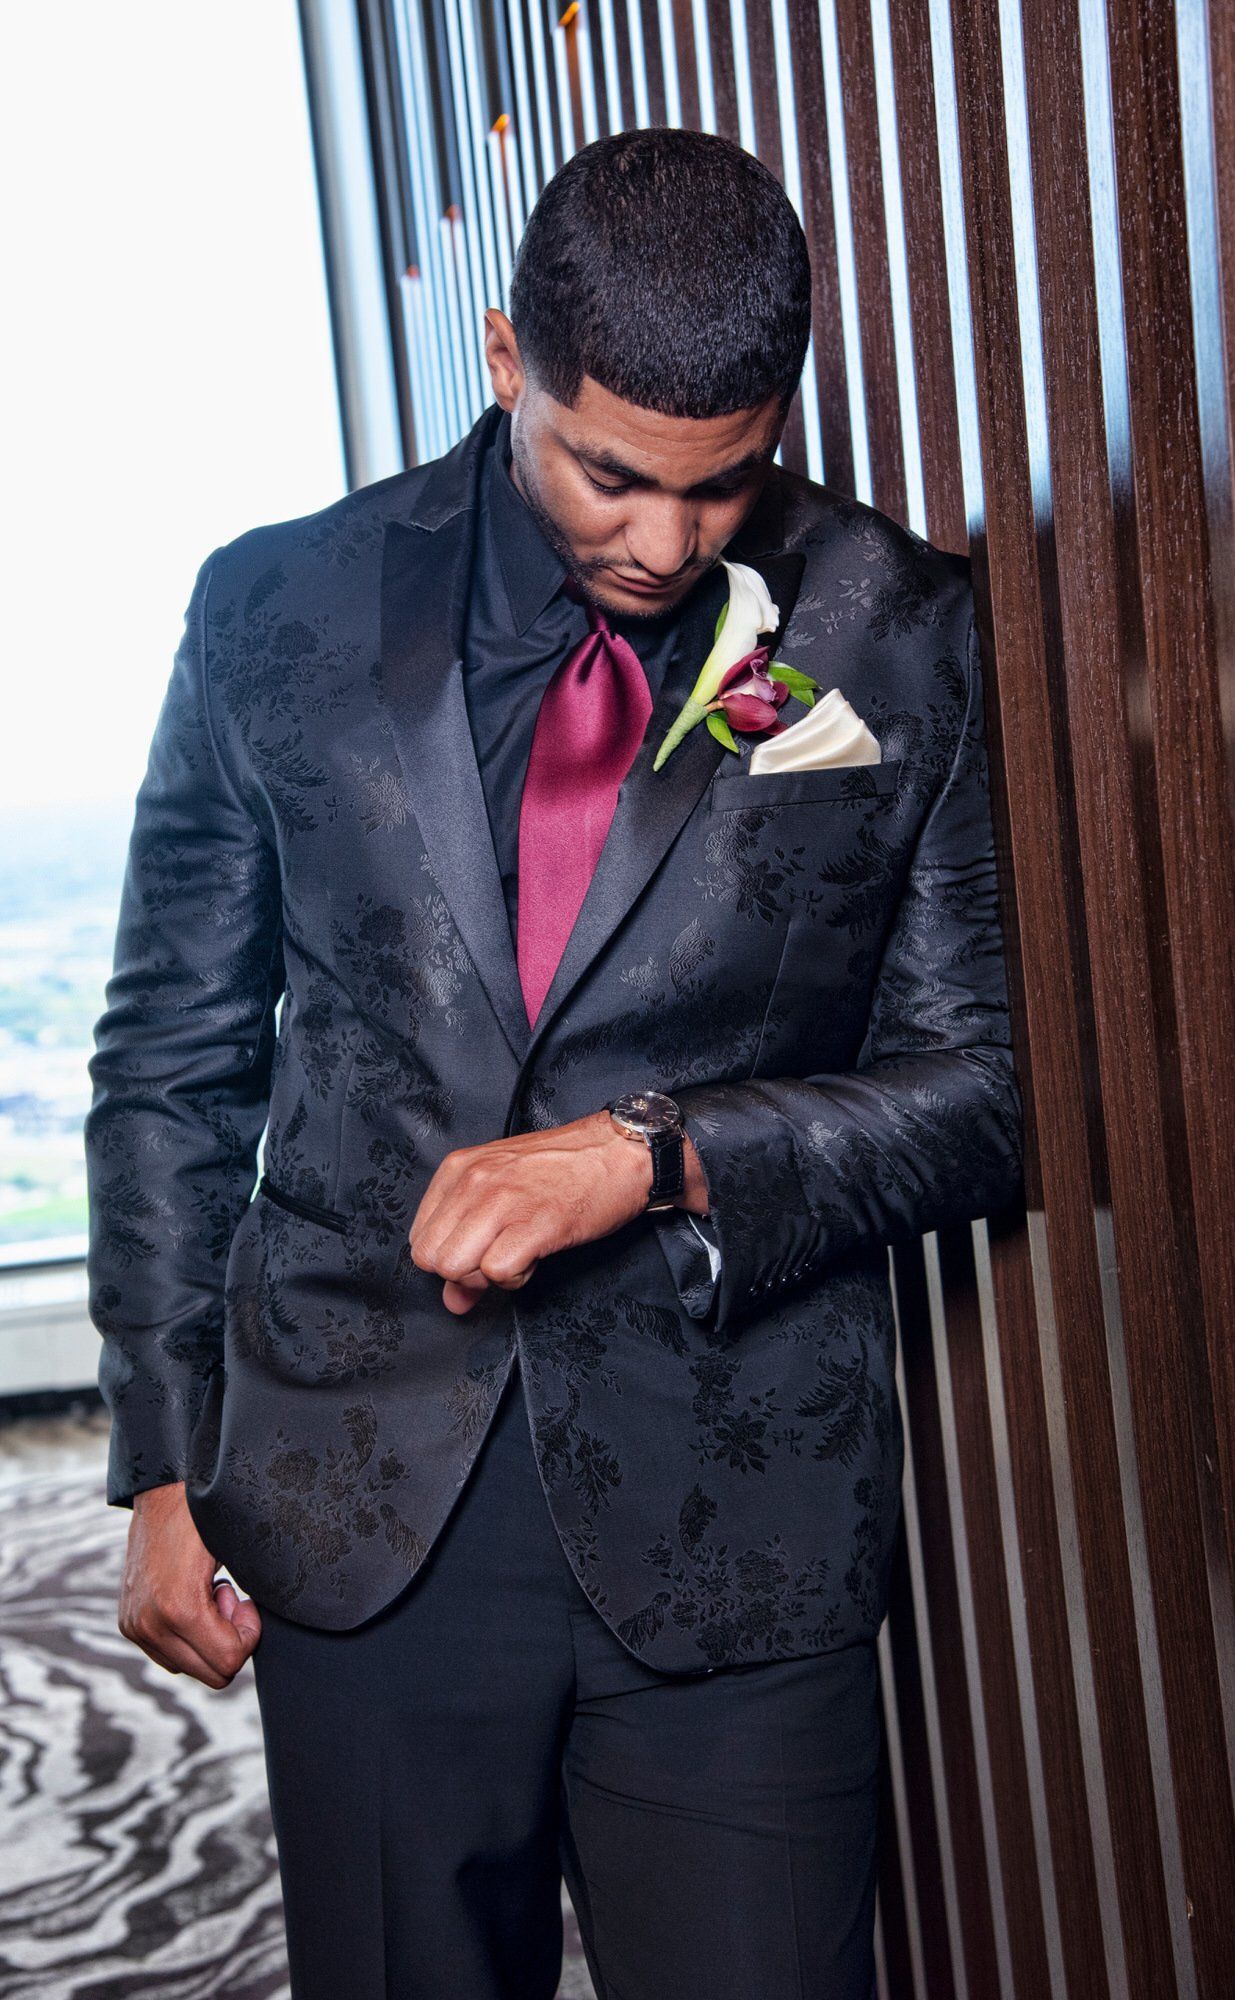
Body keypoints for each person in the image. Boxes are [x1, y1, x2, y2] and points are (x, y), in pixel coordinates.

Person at [85, 127, 1024, 1999]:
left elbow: (976, 1094)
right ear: (507, 355)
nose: (667, 544)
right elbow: (175, 1060)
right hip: (358, 1504)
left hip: (742, 1518)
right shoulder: (275, 610)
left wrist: (656, 1153)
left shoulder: (890, 632)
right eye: (614, 474)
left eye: (723, 485)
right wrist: (164, 1459)